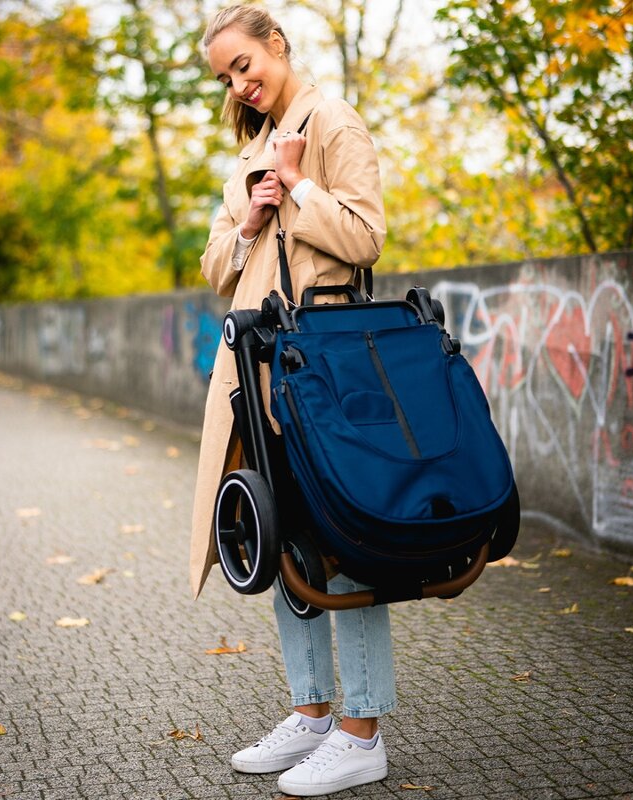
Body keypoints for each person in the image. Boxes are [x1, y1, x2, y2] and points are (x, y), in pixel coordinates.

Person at [190, 5, 394, 796]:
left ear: (276, 44)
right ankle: (311, 715)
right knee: (284, 542)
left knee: (343, 543)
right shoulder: (248, 155)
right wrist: (253, 215)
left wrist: (301, 184)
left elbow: (366, 238)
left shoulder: (331, 120)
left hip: (326, 368)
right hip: (260, 374)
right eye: (227, 76)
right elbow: (218, 264)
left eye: (245, 64)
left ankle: (362, 732)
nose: (239, 84)